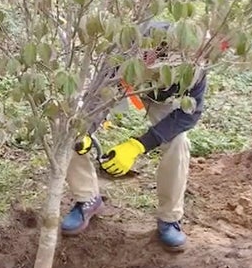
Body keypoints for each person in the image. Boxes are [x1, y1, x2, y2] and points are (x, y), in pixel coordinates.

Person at [61, 22, 207, 251]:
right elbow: (99, 95)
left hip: (163, 99)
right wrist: (85, 132)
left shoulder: (198, 65)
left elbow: (189, 115)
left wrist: (137, 145)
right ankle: (87, 198)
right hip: (124, 83)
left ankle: (169, 219)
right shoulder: (128, 46)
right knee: (71, 129)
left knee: (179, 142)